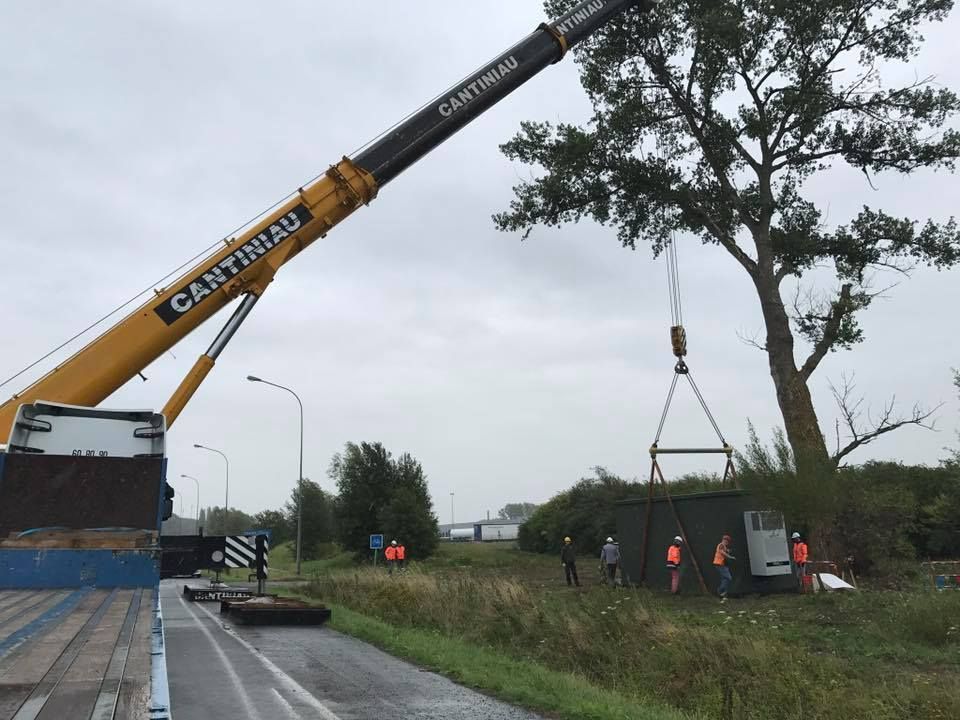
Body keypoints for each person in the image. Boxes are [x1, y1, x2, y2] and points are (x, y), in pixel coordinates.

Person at [712, 534, 736, 599]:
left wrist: (729, 551)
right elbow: (723, 553)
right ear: (723, 540)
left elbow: (726, 551)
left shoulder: (724, 546)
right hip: (718, 564)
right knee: (728, 578)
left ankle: (723, 594)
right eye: (725, 540)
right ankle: (720, 590)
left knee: (724, 579)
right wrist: (731, 557)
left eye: (727, 541)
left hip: (722, 564)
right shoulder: (721, 545)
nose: (726, 542)